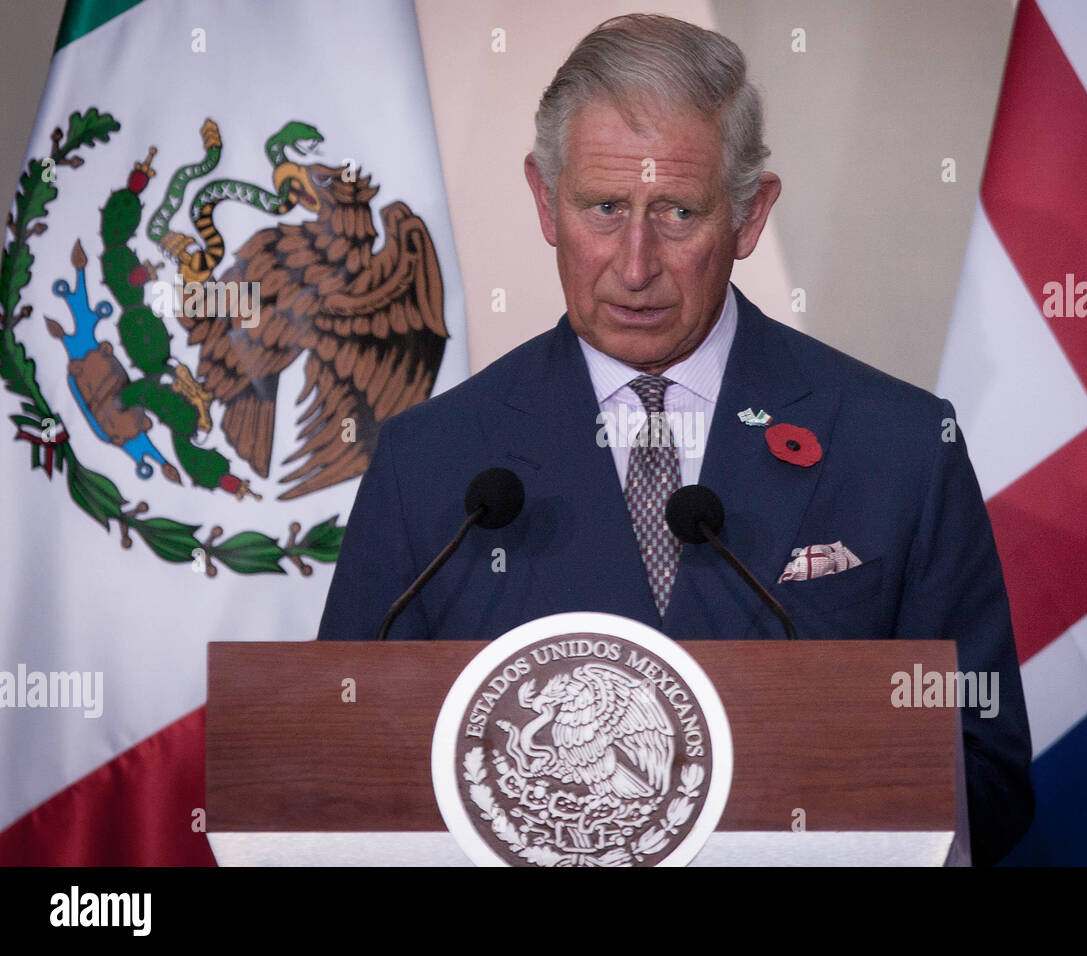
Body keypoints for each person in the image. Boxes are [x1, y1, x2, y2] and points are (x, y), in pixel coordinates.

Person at [318, 13, 1033, 864]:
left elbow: (987, 777)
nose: (633, 264)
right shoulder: (431, 463)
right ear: (546, 202)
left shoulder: (901, 447)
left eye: (678, 212)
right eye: (604, 208)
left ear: (750, 214)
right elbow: (341, 771)